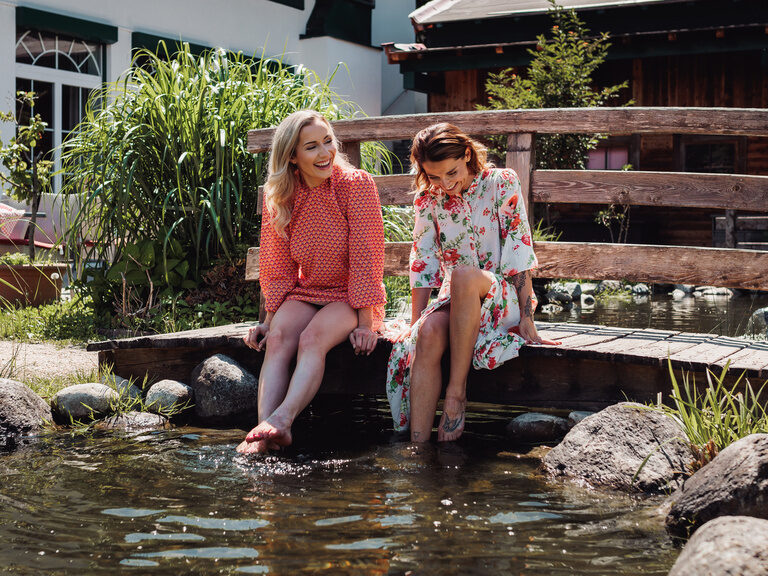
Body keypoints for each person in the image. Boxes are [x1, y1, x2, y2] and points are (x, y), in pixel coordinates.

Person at [385, 123, 559, 443]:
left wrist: (527, 318)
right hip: (454, 300)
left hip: (500, 298)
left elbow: (518, 250)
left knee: (464, 275)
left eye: (451, 173)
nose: (446, 184)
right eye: (434, 176)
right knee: (428, 332)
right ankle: (417, 447)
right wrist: (415, 323)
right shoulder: (428, 198)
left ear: (467, 154)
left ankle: (456, 394)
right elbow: (423, 261)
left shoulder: (501, 183)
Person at [237, 110, 386, 454]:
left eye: (328, 141)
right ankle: (265, 435)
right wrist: (268, 321)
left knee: (311, 338)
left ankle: (283, 420)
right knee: (277, 339)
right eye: (312, 146)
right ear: (292, 156)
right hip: (307, 291)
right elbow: (277, 266)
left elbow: (367, 256)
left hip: (350, 297)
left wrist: (366, 325)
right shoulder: (281, 194)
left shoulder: (355, 185)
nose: (325, 153)